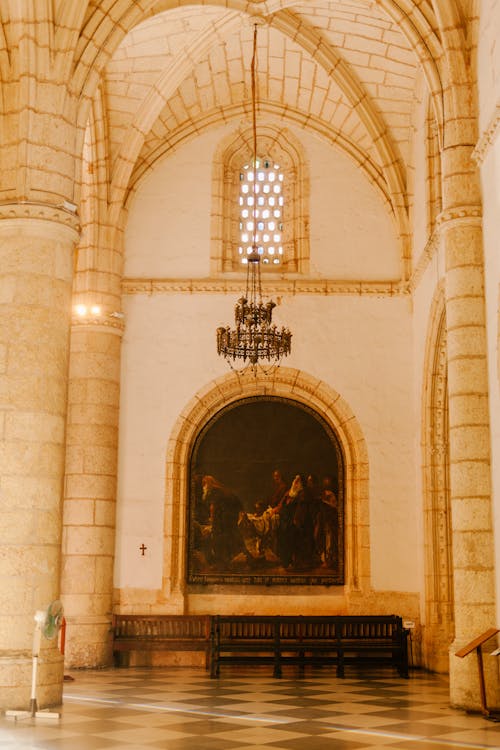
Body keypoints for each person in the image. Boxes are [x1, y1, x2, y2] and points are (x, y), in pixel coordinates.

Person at [201, 475, 244, 567]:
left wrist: (212, 520)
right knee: (229, 535)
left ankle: (224, 560)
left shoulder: (214, 490)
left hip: (228, 516)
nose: (203, 487)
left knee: (220, 535)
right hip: (229, 515)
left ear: (208, 484)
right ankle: (228, 558)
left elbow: (213, 507)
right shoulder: (219, 489)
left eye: (204, 484)